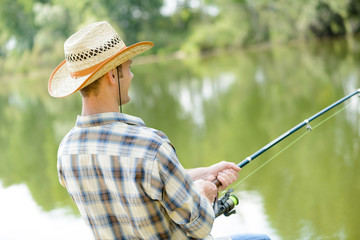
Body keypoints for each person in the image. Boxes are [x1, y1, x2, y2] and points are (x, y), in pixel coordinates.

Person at [49, 21, 270, 240]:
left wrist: (206, 172)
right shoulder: (151, 146)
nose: (132, 76)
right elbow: (200, 226)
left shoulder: (66, 152)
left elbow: (137, 182)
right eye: (129, 67)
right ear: (112, 76)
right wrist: (204, 192)